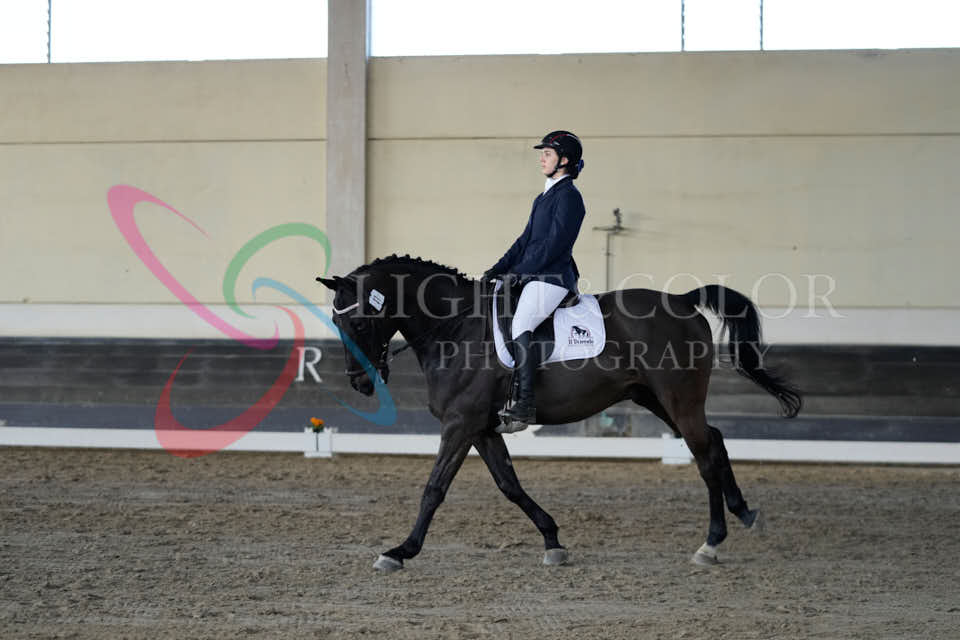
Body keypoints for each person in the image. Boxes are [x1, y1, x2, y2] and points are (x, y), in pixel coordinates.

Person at [483, 130, 587, 433]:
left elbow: (554, 245)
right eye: (542, 154)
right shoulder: (543, 198)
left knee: (521, 323)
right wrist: (498, 269)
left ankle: (525, 404)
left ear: (564, 160)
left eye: (548, 154)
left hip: (552, 278)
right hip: (532, 274)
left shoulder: (570, 197)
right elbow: (524, 241)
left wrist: (518, 273)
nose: (542, 159)